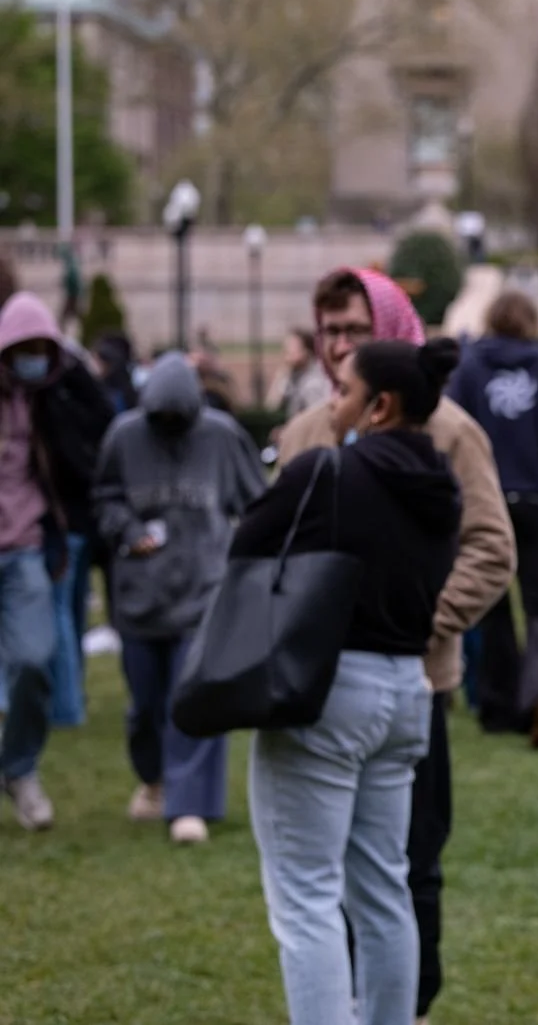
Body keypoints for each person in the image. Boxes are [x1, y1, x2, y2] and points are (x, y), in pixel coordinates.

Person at [276, 266, 513, 1023]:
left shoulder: (449, 429)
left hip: (415, 679)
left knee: (404, 866)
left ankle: (404, 1006)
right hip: (311, 682)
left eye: (353, 328)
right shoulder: (305, 431)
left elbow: (491, 546)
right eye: (330, 331)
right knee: (331, 877)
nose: (340, 345)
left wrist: (418, 619)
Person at [235, 338, 464, 1025]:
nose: (331, 403)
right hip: (406, 691)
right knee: (383, 890)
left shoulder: (327, 473)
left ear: (380, 404)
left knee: (307, 897)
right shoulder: (441, 486)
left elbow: (246, 543)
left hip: (328, 690)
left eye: (342, 391)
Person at [93, 352, 265, 842]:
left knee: (192, 700)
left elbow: (256, 502)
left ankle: (189, 806)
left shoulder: (222, 436)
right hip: (139, 597)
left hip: (202, 594)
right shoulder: (123, 437)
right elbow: (104, 497)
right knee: (145, 705)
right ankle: (153, 780)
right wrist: (126, 529)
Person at [0, 293, 115, 828]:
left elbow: (101, 422)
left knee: (35, 657)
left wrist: (69, 367)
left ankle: (18, 766)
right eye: (24, 349)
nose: (34, 358)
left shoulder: (51, 397)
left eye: (43, 350)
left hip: (25, 547)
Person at [446, 291, 538, 746]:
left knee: (492, 605)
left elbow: (452, 430)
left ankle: (498, 703)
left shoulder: (467, 368)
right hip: (534, 499)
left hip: (484, 501)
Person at [266, 328, 333, 420]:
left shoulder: (315, 380)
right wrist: (283, 371)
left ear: (307, 351)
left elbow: (316, 420)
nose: (286, 352)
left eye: (291, 347)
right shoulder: (293, 374)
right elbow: (271, 405)